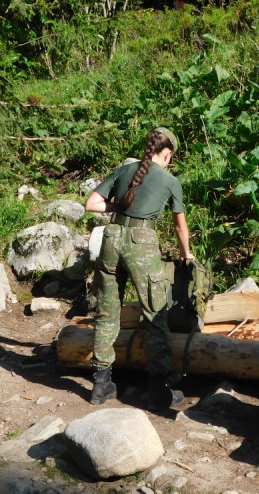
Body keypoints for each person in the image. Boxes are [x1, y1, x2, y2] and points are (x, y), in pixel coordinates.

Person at [84, 127, 194, 411]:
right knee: (155, 313)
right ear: (167, 153)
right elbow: (180, 226)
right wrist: (186, 254)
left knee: (107, 311)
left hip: (112, 237)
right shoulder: (170, 181)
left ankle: (101, 384)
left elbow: (92, 204)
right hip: (141, 241)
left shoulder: (126, 170)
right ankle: (159, 390)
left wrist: (121, 207)